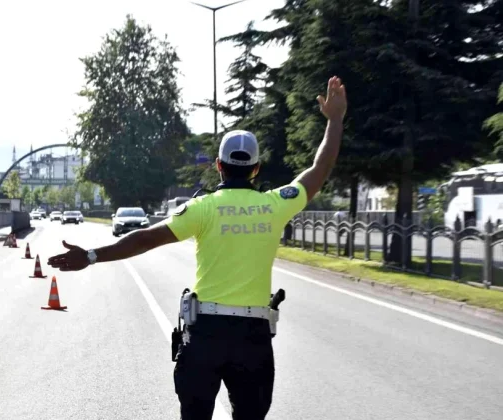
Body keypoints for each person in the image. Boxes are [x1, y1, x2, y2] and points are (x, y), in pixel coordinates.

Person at [48, 76, 347, 419]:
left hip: (205, 334)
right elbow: (319, 170)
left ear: (218, 166)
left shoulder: (202, 209)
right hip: (253, 337)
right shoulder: (276, 204)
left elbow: (145, 238)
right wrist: (334, 120)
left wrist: (91, 256)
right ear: (256, 169)